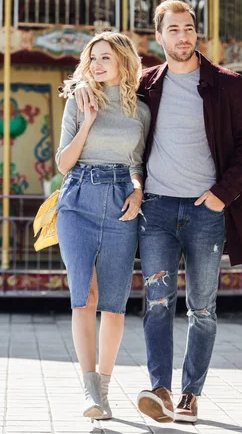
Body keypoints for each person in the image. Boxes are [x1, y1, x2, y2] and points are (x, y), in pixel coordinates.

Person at [76, 0, 242, 424]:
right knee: (157, 302)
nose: (183, 37)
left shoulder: (227, 85)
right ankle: (158, 388)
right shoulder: (145, 84)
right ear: (158, 37)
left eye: (189, 28)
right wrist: (81, 87)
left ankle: (190, 394)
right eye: (174, 30)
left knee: (202, 308)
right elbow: (102, 83)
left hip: (206, 211)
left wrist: (222, 193)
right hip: (156, 209)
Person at [56, 32, 151, 422]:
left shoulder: (141, 111)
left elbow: (139, 164)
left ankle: (105, 390)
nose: (96, 64)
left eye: (105, 57)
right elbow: (63, 163)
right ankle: (88, 389)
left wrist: (139, 191)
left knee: (113, 303)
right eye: (92, 57)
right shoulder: (79, 102)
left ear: (123, 62)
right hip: (77, 198)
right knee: (84, 296)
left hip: (120, 201)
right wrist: (88, 119)